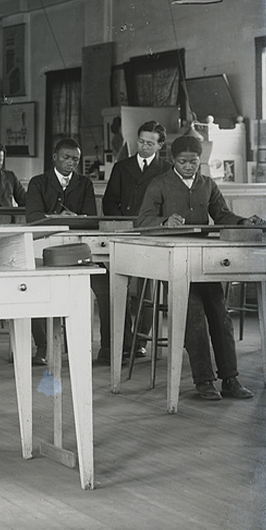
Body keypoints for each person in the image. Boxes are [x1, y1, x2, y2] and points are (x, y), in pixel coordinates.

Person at [135, 135, 265, 401]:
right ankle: (204, 381)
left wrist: (243, 222)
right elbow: (142, 220)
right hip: (175, 261)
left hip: (204, 259)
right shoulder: (159, 184)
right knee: (193, 316)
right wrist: (164, 222)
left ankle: (230, 379)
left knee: (220, 315)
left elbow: (222, 215)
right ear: (173, 160)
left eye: (194, 162)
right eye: (183, 162)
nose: (188, 167)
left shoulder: (208, 184)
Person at [23, 138, 109, 365]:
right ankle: (43, 346)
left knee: (105, 286)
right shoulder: (38, 182)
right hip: (45, 248)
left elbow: (91, 219)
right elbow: (32, 217)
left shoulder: (84, 183)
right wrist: (63, 219)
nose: (71, 163)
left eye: (75, 159)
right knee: (34, 290)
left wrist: (78, 219)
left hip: (77, 250)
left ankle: (108, 347)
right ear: (54, 157)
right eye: (66, 157)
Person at [100, 120, 171, 363]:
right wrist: (122, 225)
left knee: (146, 290)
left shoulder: (167, 169)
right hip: (123, 231)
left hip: (151, 233)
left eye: (150, 143)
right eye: (141, 141)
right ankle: (124, 341)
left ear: (160, 145)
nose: (143, 147)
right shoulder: (122, 167)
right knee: (119, 286)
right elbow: (109, 201)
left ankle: (140, 341)